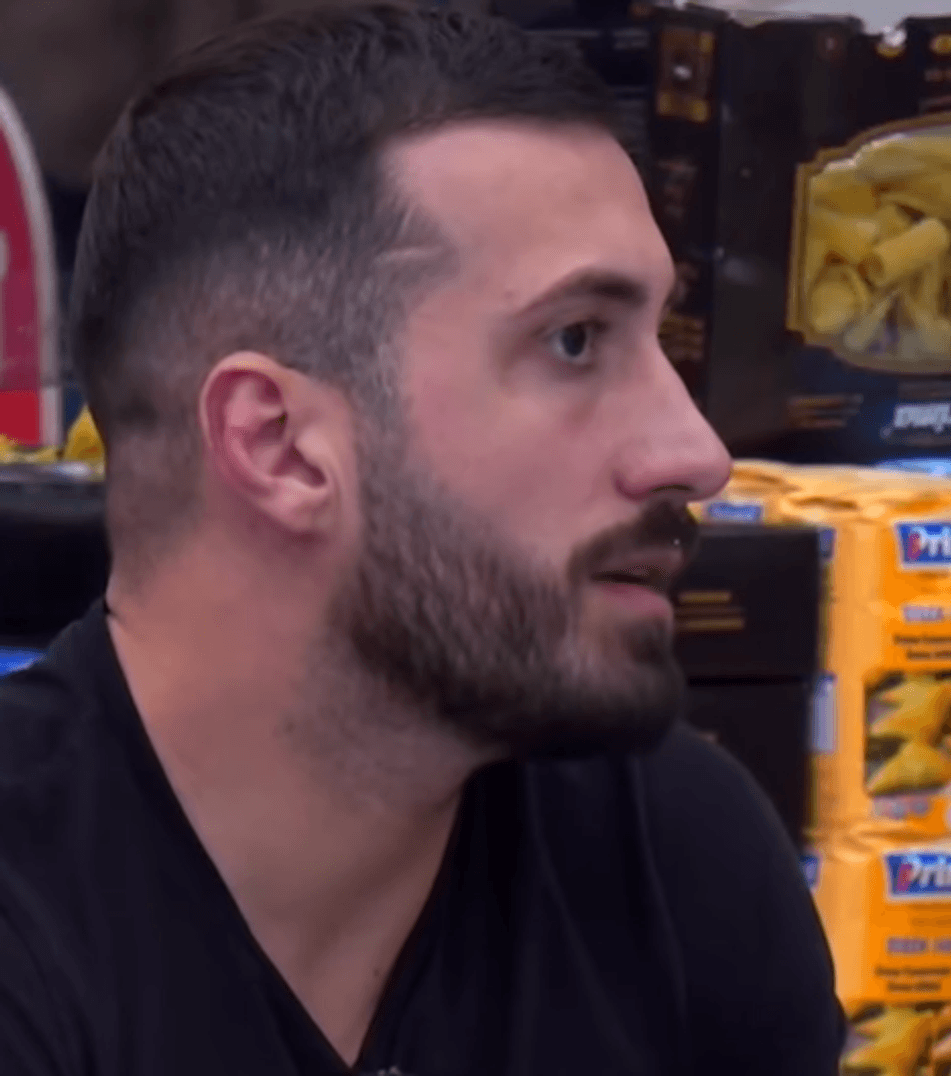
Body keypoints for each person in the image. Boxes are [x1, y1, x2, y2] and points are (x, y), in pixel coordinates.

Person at [0, 4, 844, 1074]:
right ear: (278, 445)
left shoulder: (673, 861)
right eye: (574, 340)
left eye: (657, 340)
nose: (696, 453)